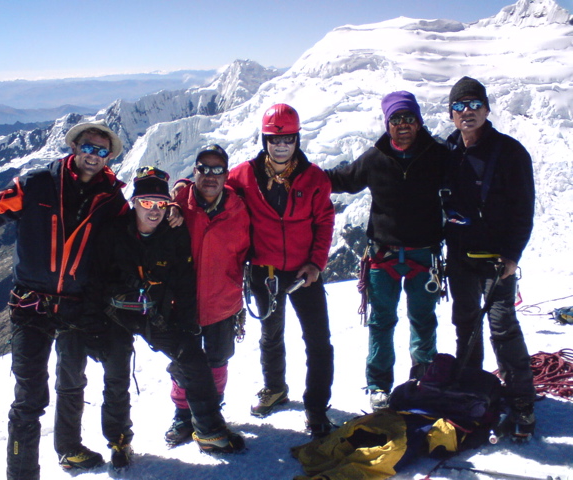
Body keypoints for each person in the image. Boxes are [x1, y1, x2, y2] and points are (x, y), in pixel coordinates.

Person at [0, 120, 130, 478]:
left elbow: (126, 242)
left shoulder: (112, 198)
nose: (94, 156)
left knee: (73, 383)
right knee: (29, 399)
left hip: (77, 305)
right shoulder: (35, 183)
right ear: (75, 147)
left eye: (101, 151)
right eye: (88, 148)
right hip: (30, 305)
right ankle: (22, 473)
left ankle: (70, 449)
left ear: (108, 157)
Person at [85, 166, 246, 454]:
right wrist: (94, 326)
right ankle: (118, 441)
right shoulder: (112, 233)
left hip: (153, 313)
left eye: (160, 204)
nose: (154, 210)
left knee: (193, 358)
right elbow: (94, 279)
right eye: (146, 203)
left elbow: (184, 282)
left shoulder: (173, 233)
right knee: (117, 376)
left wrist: (184, 325)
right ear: (134, 202)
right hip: (114, 316)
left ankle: (208, 429)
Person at [326, 91, 447, 411]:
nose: (403, 125)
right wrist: (298, 174)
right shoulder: (374, 158)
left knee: (423, 319)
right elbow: (342, 180)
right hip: (384, 254)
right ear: (387, 123)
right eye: (397, 119)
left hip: (423, 253)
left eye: (409, 118)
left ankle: (422, 377)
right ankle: (379, 384)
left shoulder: (437, 154)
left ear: (419, 122)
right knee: (381, 321)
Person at [227, 103, 335, 438]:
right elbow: (214, 189)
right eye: (275, 139)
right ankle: (275, 388)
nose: (281, 145)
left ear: (296, 139)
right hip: (266, 271)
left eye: (287, 138)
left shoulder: (314, 178)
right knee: (270, 335)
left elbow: (324, 222)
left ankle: (316, 406)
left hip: (305, 272)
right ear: (265, 141)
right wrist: (183, 189)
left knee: (318, 341)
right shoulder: (244, 175)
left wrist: (316, 263)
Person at [442, 76, 536, 438]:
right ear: (451, 114)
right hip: (461, 259)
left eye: (474, 105)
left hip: (498, 261)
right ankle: (473, 390)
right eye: (460, 106)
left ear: (487, 108)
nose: (467, 112)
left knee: (502, 328)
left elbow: (523, 209)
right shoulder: (448, 151)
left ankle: (522, 402)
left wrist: (513, 256)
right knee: (466, 326)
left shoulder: (510, 153)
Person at [164, 145, 250, 446]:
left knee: (217, 361)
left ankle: (211, 411)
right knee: (182, 362)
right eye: (204, 168)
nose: (210, 175)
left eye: (217, 170)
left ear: (226, 174)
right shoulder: (178, 204)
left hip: (223, 302)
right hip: (181, 304)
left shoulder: (240, 210)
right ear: (194, 171)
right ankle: (183, 416)